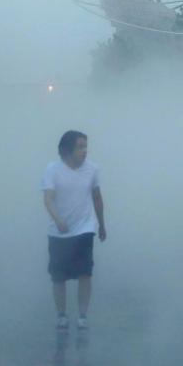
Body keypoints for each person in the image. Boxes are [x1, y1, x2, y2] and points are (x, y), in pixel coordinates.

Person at [42, 131, 106, 330]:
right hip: (59, 231)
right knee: (59, 276)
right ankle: (61, 314)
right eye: (80, 147)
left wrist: (102, 224)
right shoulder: (53, 169)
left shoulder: (92, 169)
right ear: (67, 150)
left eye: (85, 146)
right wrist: (58, 220)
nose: (84, 151)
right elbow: (48, 198)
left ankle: (82, 315)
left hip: (84, 228)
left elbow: (97, 197)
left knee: (85, 272)